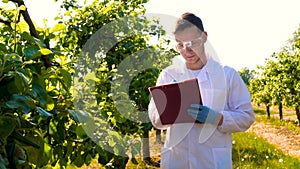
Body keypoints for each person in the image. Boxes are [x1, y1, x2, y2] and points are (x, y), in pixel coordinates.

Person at [148, 12, 255, 169]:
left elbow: (247, 117)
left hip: (211, 162)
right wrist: (169, 103)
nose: (187, 50)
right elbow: (156, 121)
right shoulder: (169, 75)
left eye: (193, 43)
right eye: (180, 45)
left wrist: (218, 118)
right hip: (176, 161)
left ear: (204, 37)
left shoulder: (227, 75)